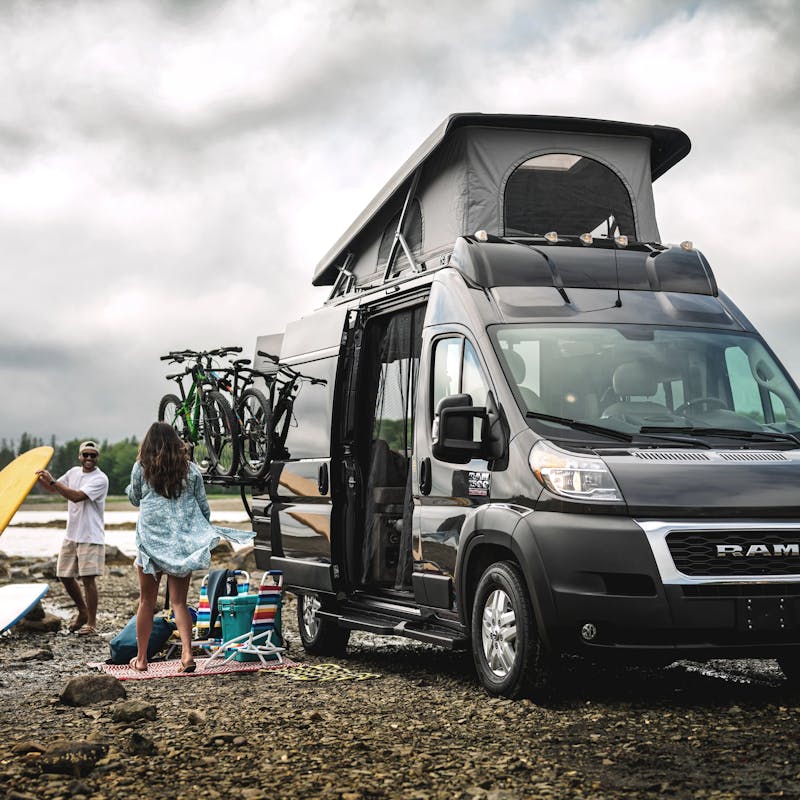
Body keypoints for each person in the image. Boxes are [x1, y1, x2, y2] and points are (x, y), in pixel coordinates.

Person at [125, 422, 254, 672]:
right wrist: (201, 533)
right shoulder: (191, 470)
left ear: (148, 444)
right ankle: (186, 655)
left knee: (146, 603)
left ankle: (141, 660)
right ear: (176, 442)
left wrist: (132, 487)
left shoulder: (141, 467)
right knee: (179, 603)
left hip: (151, 542)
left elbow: (135, 498)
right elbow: (203, 507)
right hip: (181, 544)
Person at [36, 440, 109, 636]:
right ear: (80, 456)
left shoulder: (100, 479)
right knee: (64, 575)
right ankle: (83, 611)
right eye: (85, 455)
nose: (89, 459)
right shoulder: (73, 472)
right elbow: (54, 489)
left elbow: (76, 496)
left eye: (93, 455)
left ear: (97, 458)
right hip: (72, 534)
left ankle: (91, 624)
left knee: (88, 579)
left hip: (90, 535)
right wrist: (36, 478)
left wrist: (52, 481)